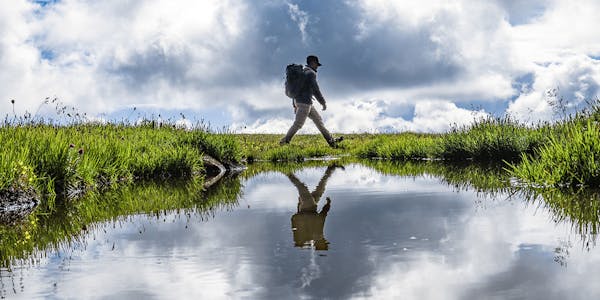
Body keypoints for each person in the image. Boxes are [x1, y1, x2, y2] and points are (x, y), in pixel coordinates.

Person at [280, 55, 343, 148]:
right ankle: (284, 142)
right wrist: (323, 102)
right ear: (312, 63)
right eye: (316, 64)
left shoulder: (303, 72)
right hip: (304, 103)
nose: (317, 66)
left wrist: (294, 104)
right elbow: (315, 90)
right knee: (298, 124)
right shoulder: (310, 73)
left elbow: (297, 90)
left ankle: (331, 141)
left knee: (319, 121)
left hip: (304, 103)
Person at [287, 164, 342, 250]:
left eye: (324, 242)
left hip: (307, 208)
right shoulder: (314, 238)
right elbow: (322, 215)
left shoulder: (316, 237)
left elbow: (323, 215)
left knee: (302, 187)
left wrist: (328, 204)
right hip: (311, 208)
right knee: (321, 187)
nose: (325, 240)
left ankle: (288, 173)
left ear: (320, 243)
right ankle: (331, 168)